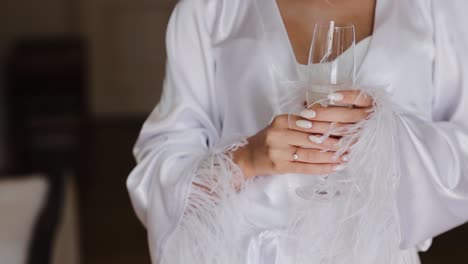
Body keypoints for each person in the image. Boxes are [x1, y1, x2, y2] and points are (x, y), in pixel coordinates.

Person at [127, 0, 468, 263]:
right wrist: (247, 157)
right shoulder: (212, 10)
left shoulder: (439, 9)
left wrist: (385, 136)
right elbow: (161, 161)